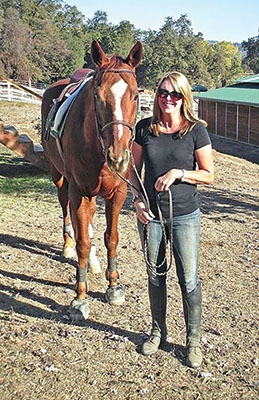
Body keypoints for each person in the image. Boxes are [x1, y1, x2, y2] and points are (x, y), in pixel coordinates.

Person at [130, 71, 214, 368]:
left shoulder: (195, 131)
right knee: (155, 274)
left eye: (175, 94)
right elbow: (133, 172)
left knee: (188, 278)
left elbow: (208, 174)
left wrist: (180, 173)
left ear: (183, 98)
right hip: (151, 216)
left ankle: (192, 340)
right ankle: (157, 331)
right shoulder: (144, 129)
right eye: (163, 93)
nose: (168, 99)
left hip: (185, 215)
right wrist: (138, 202)